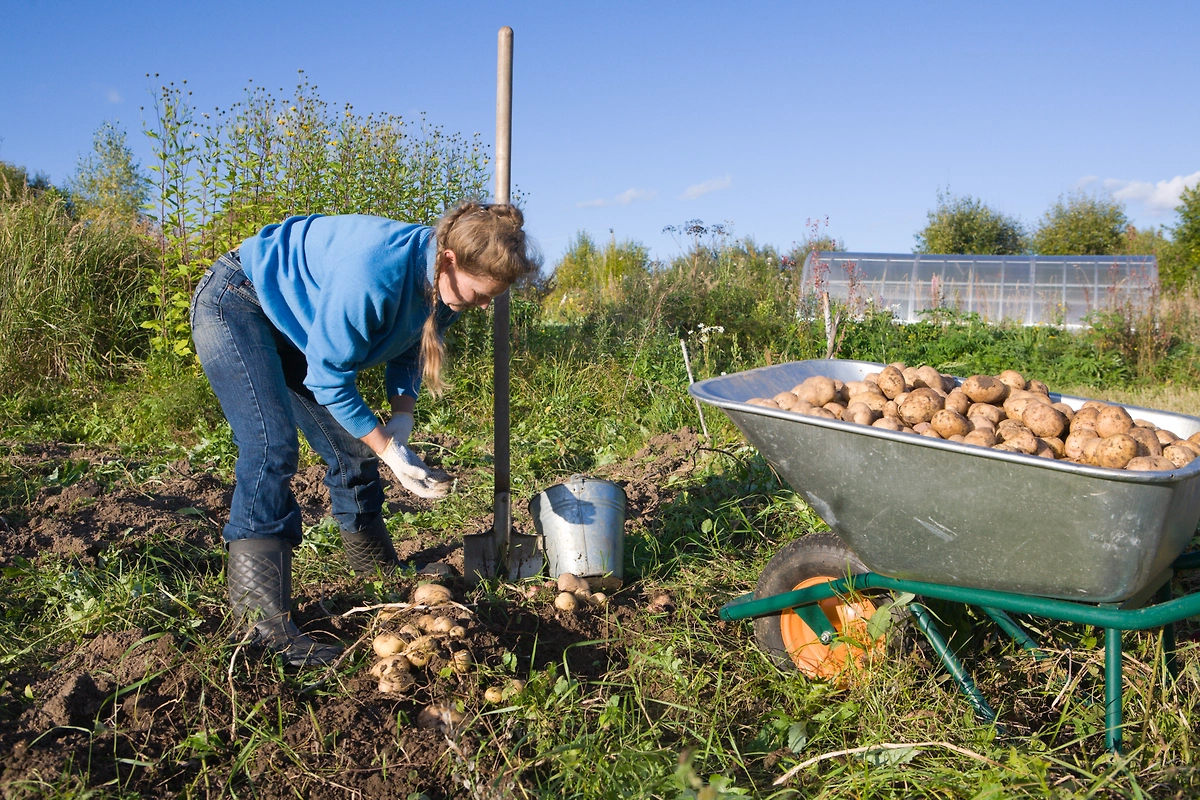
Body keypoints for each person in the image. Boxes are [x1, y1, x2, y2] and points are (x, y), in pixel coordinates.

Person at [189, 202, 537, 666]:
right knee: (271, 444)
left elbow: (414, 343)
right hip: (240, 301)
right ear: (449, 261)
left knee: (352, 450)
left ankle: (375, 573)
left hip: (297, 325)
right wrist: (390, 451)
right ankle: (261, 624)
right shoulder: (375, 271)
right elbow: (329, 379)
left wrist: (401, 416)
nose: (483, 304)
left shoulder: (443, 284)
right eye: (480, 293)